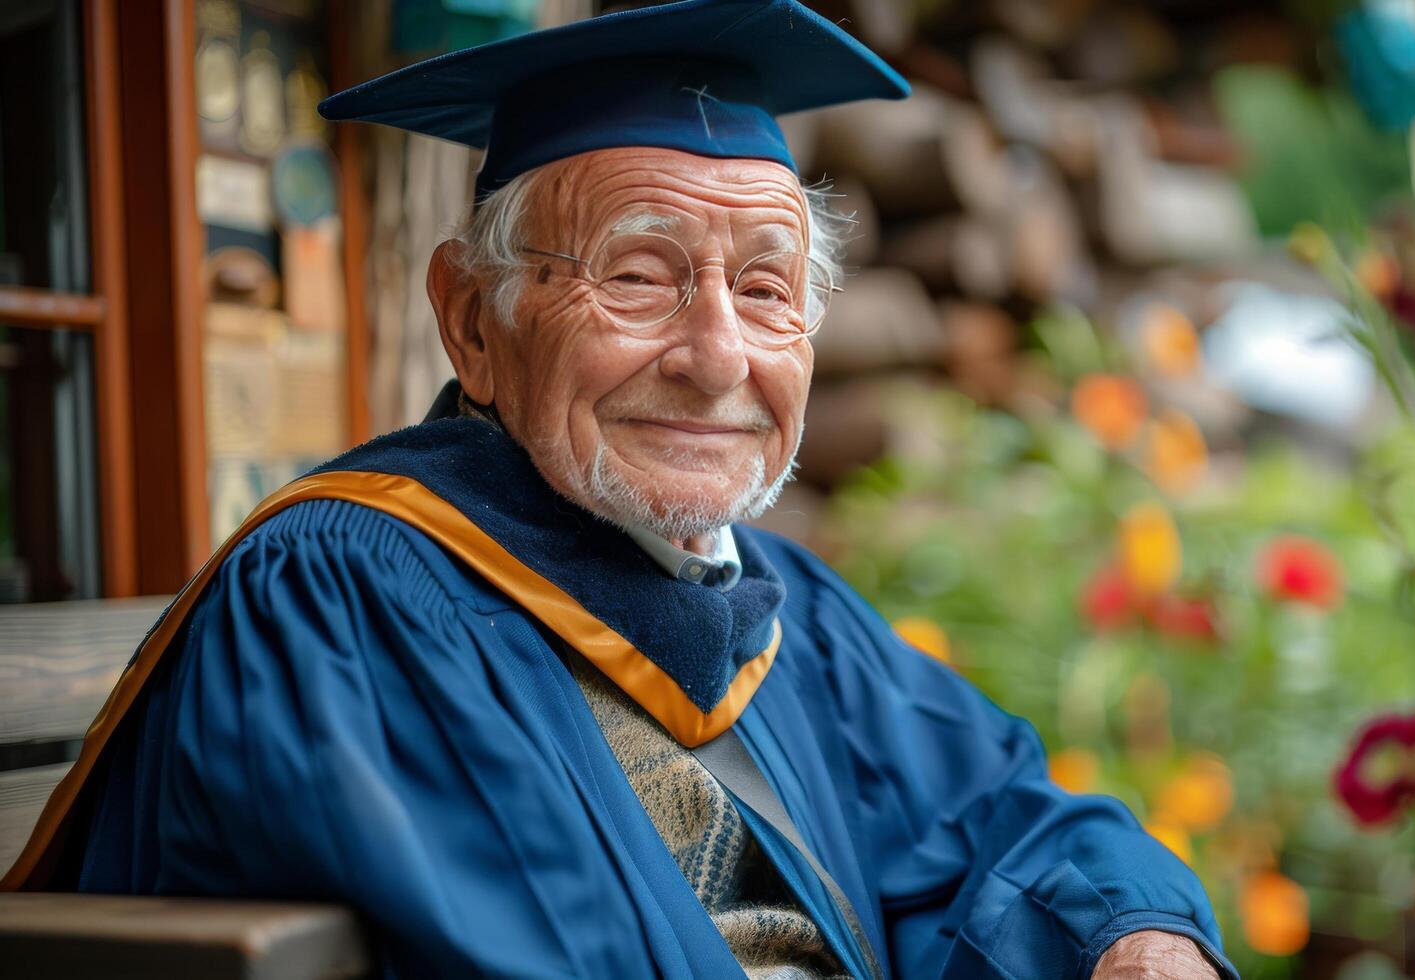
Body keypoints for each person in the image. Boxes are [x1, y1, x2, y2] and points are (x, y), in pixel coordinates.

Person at [4, 2, 1233, 977]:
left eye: (765, 289)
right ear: (474, 323)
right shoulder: (347, 600)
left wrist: (1133, 937)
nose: (717, 358)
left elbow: (1000, 805)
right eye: (639, 275)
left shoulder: (770, 595)